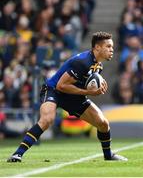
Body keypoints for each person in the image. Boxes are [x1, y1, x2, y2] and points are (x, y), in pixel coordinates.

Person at [7, 31, 127, 162]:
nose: (112, 50)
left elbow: (83, 83)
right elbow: (61, 85)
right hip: (54, 91)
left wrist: (95, 88)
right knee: (47, 120)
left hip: (72, 96)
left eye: (112, 47)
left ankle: (108, 155)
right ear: (97, 47)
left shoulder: (99, 66)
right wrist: (90, 92)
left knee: (103, 123)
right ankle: (17, 154)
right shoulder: (82, 62)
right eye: (108, 46)